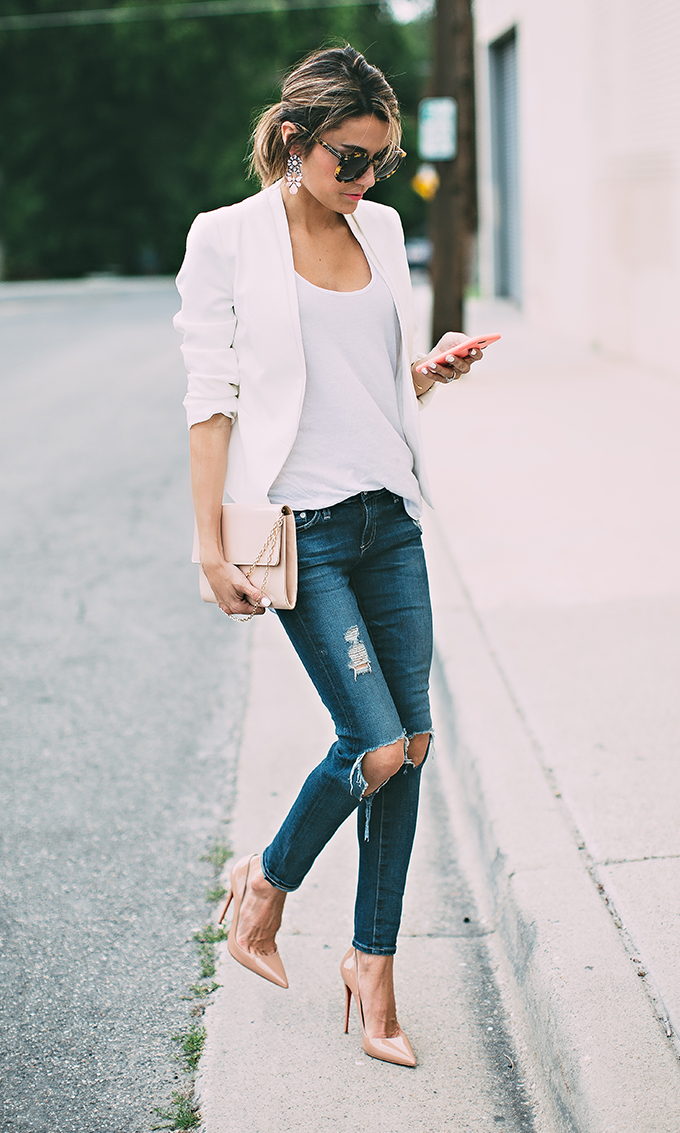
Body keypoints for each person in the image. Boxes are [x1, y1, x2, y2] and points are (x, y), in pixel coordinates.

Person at [174, 44, 482, 1068]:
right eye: (349, 157)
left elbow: (366, 376)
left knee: (414, 747)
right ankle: (263, 884)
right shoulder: (227, 239)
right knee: (374, 743)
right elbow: (211, 398)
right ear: (298, 139)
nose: (363, 180)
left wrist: (424, 374)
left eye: (380, 163)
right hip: (298, 531)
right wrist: (209, 541)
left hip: (386, 516)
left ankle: (372, 968)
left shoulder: (382, 229)